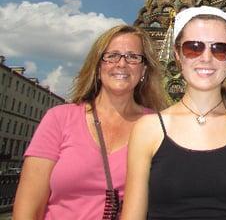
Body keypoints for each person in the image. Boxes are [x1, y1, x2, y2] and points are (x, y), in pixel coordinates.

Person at [122, 6, 226, 220]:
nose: (206, 58)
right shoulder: (148, 129)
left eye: (219, 49)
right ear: (177, 54)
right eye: (193, 48)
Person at [13, 25, 169, 219]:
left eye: (132, 57)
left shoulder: (157, 126)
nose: (121, 63)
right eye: (111, 56)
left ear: (144, 69)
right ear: (98, 66)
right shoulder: (60, 118)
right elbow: (28, 207)